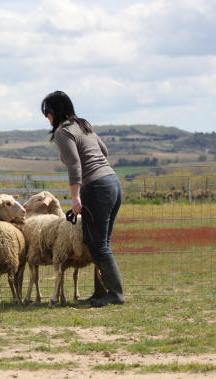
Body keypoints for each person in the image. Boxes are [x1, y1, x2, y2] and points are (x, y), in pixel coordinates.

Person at [41, 90, 124, 307]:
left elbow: (75, 164)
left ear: (53, 112)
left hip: (96, 188)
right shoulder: (83, 124)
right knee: (99, 242)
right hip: (112, 182)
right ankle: (101, 292)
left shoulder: (62, 132)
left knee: (99, 245)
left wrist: (76, 196)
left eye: (47, 113)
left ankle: (115, 294)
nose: (47, 118)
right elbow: (103, 151)